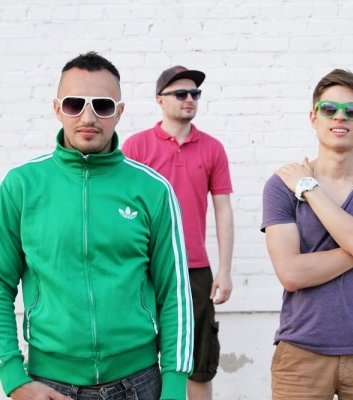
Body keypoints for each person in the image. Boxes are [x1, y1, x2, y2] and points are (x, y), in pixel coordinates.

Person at [0, 52, 194, 400]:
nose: (88, 117)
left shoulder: (153, 190)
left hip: (139, 383)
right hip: (50, 384)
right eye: (74, 104)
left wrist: (174, 387)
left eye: (103, 106)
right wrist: (13, 378)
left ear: (119, 112)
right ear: (57, 108)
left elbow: (176, 293)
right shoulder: (21, 186)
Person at [261, 69, 353, 400]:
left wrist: (309, 188)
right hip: (301, 352)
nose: (340, 117)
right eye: (329, 109)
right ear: (314, 117)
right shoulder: (281, 185)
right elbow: (292, 274)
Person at [122, 66, 234, 400]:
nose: (190, 99)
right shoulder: (137, 146)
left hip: (194, 269)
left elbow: (223, 210)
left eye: (195, 93)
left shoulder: (212, 148)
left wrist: (225, 270)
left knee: (198, 362)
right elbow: (118, 207)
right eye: (181, 93)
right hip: (144, 267)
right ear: (160, 100)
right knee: (135, 359)